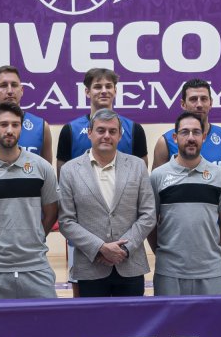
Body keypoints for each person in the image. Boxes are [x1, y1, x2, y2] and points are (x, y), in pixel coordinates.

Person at [0, 101, 60, 300]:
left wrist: (35, 236)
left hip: (36, 267)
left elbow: (51, 213)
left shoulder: (42, 168)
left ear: (21, 128)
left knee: (47, 329)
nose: (9, 130)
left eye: (15, 125)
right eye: (4, 124)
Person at [58, 108, 156, 296]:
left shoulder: (137, 166)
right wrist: (100, 248)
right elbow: (66, 221)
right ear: (89, 133)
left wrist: (124, 249)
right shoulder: (70, 170)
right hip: (90, 266)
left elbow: (148, 214)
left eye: (112, 131)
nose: (106, 136)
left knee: (133, 324)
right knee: (93, 325)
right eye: (101, 130)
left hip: (130, 265)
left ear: (120, 135)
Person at [147, 111, 221, 296]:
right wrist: (163, 253)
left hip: (211, 272)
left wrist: (211, 251)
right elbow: (150, 224)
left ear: (204, 137)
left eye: (196, 132)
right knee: (171, 326)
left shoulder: (219, 175)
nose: (190, 138)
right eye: (184, 132)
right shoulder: (158, 176)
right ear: (175, 137)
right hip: (169, 273)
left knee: (211, 325)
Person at [56, 68, 149, 170]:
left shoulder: (134, 129)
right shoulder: (70, 130)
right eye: (98, 87)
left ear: (115, 91)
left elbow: (141, 173)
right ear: (87, 92)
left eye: (108, 86)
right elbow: (63, 178)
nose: (104, 91)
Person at [0, 65, 53, 163]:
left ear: (22, 90)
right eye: (3, 85)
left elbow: (47, 173)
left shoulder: (41, 127)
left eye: (14, 85)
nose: (10, 91)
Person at [152, 78, 221, 168]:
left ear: (211, 103)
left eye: (204, 99)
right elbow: (157, 179)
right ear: (183, 104)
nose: (199, 105)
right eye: (193, 99)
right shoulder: (165, 142)